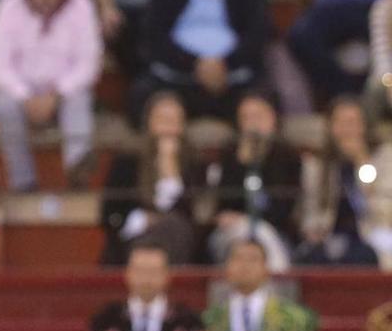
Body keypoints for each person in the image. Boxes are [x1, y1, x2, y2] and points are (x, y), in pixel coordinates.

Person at [0, 0, 103, 193]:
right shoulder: (8, 5)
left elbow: (88, 64)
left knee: (79, 98)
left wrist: (57, 94)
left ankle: (78, 174)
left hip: (64, 93)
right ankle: (23, 183)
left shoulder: (81, 5)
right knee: (2, 104)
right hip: (22, 94)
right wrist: (24, 95)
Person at [100, 88, 203, 263]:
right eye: (162, 119)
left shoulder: (194, 162)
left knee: (174, 226)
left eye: (174, 120)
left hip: (179, 239)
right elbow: (110, 212)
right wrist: (141, 219)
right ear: (149, 122)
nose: (168, 127)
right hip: (135, 239)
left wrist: (169, 168)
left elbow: (191, 212)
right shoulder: (127, 160)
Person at [133, 0, 269, 122]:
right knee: (162, 111)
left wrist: (224, 64)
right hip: (175, 80)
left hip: (235, 80)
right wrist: (196, 65)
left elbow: (257, 37)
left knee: (256, 110)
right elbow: (155, 37)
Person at [201, 91, 301, 264]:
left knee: (261, 233)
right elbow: (224, 204)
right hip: (231, 232)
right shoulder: (229, 155)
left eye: (258, 116)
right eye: (246, 117)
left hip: (275, 231)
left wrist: (247, 220)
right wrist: (242, 163)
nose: (253, 124)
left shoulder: (287, 157)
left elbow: (283, 208)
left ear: (273, 118)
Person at [295, 96, 392, 266]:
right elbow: (309, 209)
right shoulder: (317, 165)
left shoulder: (384, 156)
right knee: (308, 256)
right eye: (341, 122)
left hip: (372, 229)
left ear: (364, 125)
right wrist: (313, 230)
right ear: (330, 126)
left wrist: (361, 160)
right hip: (328, 233)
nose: (347, 130)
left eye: (353, 122)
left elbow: (383, 207)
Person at [84, 240, 207, 331]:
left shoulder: (187, 321)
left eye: (153, 271)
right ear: (128, 274)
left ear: (167, 275)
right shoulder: (106, 319)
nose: (146, 278)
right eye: (140, 271)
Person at [203, 236, 320, 331]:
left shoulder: (294, 318)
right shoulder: (210, 320)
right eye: (238, 258)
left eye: (253, 259)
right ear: (227, 267)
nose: (245, 265)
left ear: (266, 269)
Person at [286, 0, 379, 104]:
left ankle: (353, 95)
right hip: (327, 7)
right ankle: (346, 96)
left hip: (374, 4)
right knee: (300, 36)